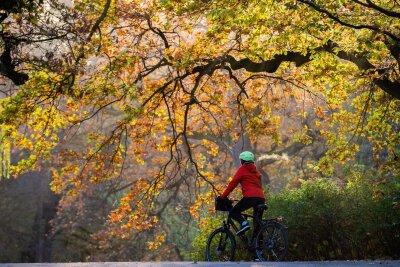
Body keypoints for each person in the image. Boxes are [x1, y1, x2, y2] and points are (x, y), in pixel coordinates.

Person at [219, 151, 265, 235]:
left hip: (250, 197)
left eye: (241, 160)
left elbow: (233, 183)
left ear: (242, 161)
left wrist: (223, 196)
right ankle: (259, 246)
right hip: (261, 198)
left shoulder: (243, 169)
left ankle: (244, 223)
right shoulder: (256, 172)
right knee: (257, 224)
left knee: (233, 212)